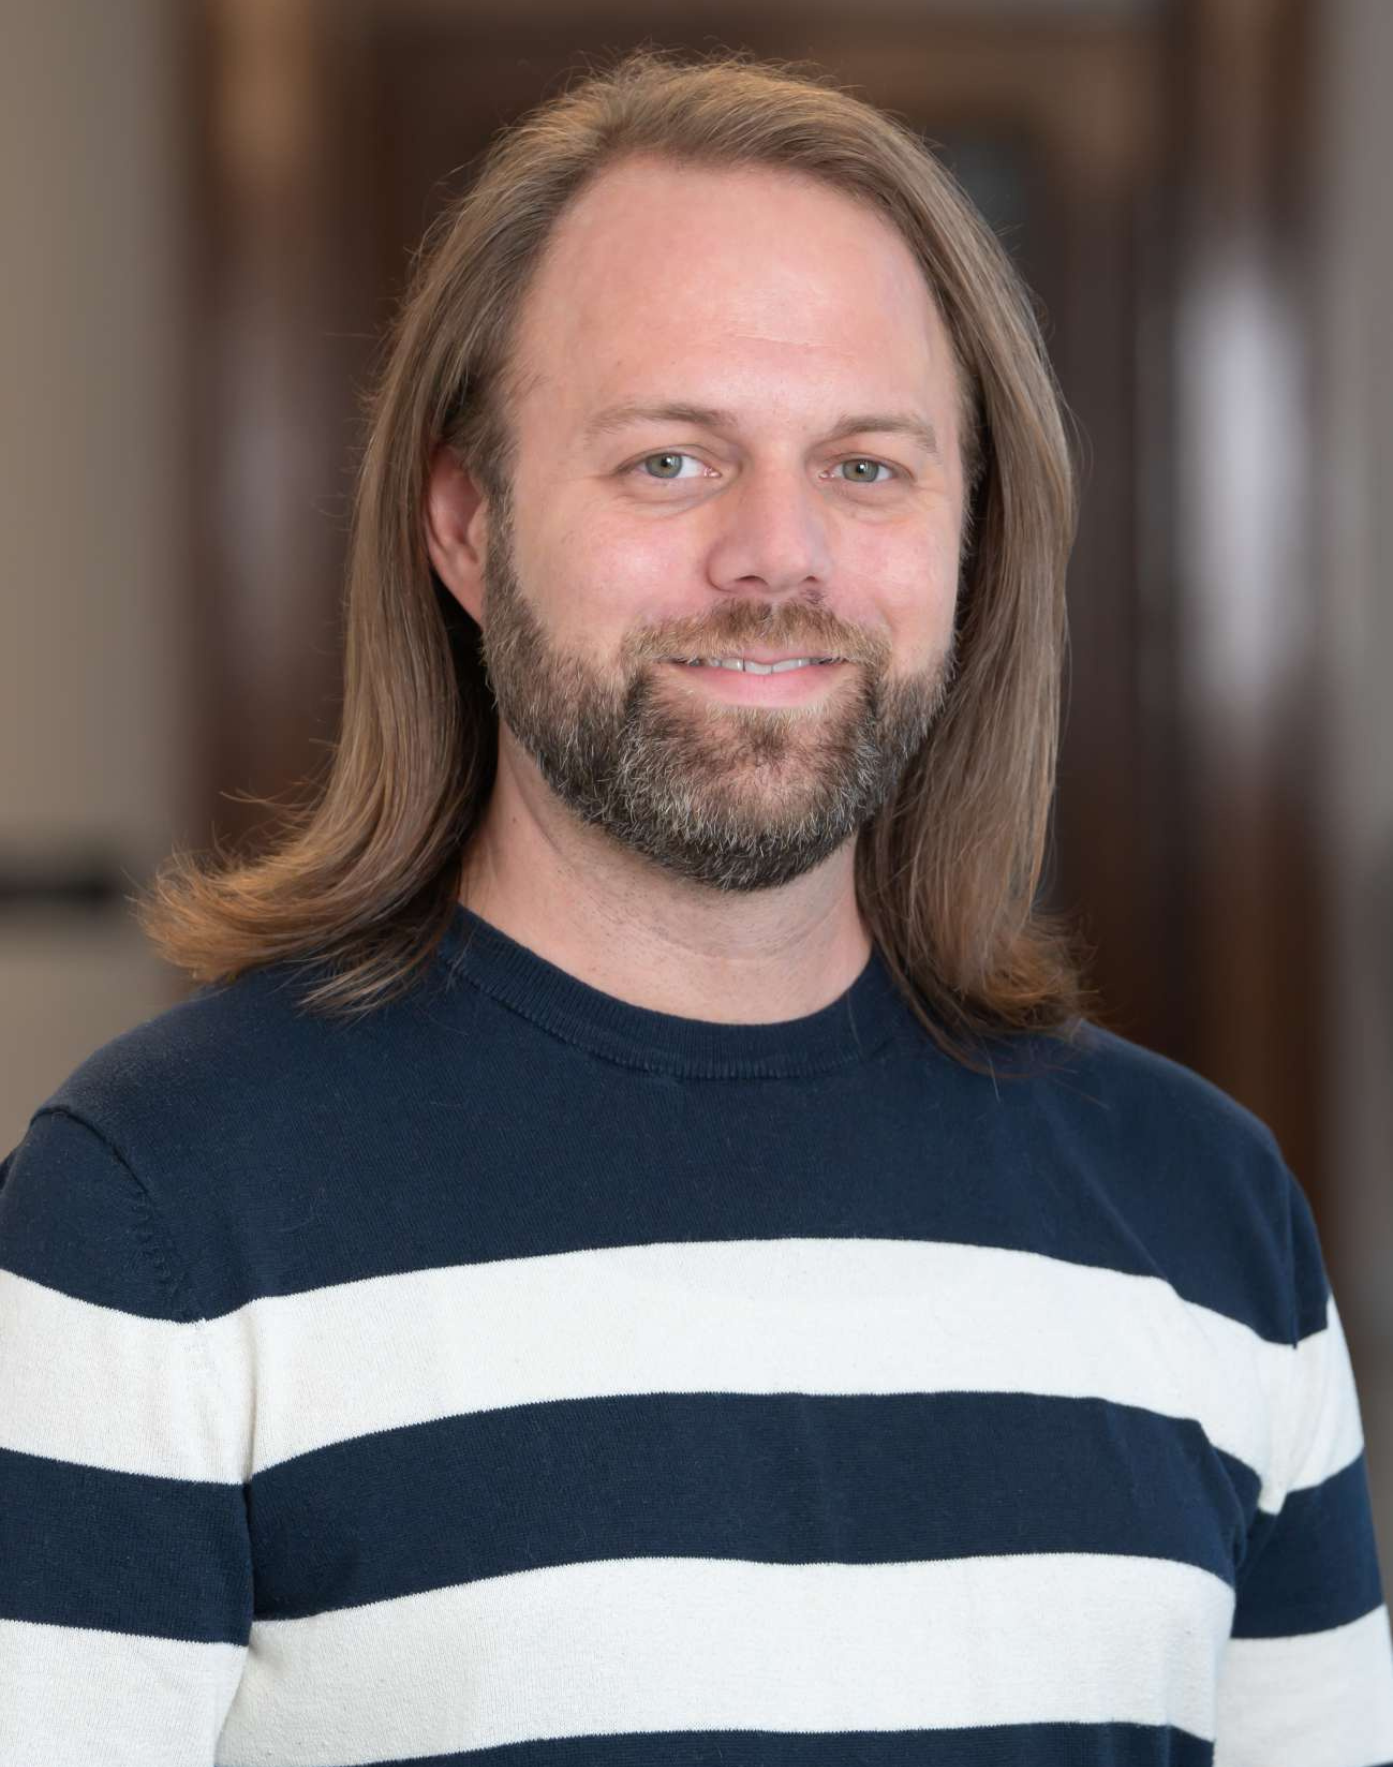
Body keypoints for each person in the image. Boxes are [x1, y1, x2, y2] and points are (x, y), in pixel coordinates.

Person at [1, 44, 1389, 1767]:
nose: (776, 555)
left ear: (970, 537)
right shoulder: (154, 1215)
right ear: (465, 523)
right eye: (671, 461)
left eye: (869, 466)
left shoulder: (1209, 1224)